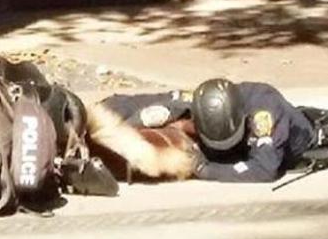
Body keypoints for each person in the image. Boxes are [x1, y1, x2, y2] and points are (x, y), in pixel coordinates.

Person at [98, 78, 324, 182]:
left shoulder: (266, 116)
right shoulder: (202, 99)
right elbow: (141, 100)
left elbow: (265, 169)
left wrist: (204, 169)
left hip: (308, 136)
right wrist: (106, 114)